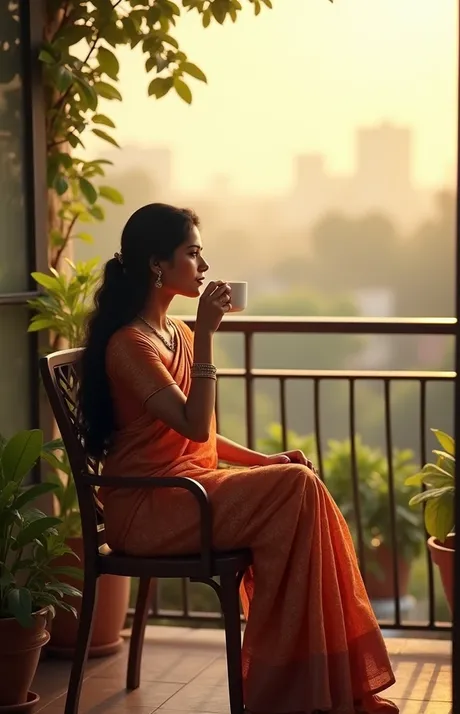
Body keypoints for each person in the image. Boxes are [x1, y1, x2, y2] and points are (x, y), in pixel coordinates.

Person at [79, 203, 399, 714]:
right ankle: (296, 690)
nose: (204, 267)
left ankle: (320, 684)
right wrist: (206, 334)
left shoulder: (176, 334)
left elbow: (200, 433)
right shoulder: (130, 345)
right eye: (193, 253)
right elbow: (187, 424)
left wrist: (262, 460)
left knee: (297, 482)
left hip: (190, 488)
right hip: (150, 507)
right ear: (158, 265)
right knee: (297, 487)